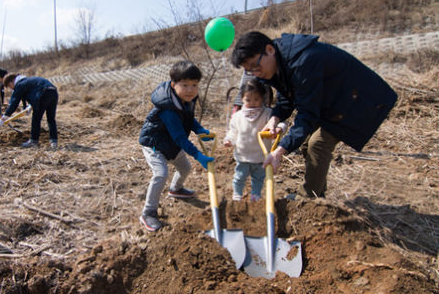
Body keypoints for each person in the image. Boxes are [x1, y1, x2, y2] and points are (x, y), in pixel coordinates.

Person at [231, 31, 397, 198]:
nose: (256, 73)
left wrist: (280, 151)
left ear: (269, 50)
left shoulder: (303, 61)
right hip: (333, 100)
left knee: (317, 145)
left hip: (361, 100)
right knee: (306, 143)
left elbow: (307, 113)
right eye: (250, 71)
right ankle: (318, 194)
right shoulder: (281, 61)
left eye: (256, 67)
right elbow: (287, 96)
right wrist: (275, 118)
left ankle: (308, 198)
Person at [138, 60, 214, 232]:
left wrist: (199, 129)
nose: (190, 90)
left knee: (185, 168)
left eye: (194, 85)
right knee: (161, 174)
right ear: (173, 84)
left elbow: (188, 119)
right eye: (185, 85)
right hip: (155, 145)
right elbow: (180, 138)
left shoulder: (185, 100)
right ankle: (148, 213)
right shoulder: (168, 110)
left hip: (170, 143)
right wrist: (198, 155)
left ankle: (176, 189)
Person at [223, 79, 287, 202]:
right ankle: (237, 195)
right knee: (239, 177)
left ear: (262, 99)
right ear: (242, 99)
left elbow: (283, 122)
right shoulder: (237, 116)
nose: (252, 103)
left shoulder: (268, 114)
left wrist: (279, 128)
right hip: (243, 155)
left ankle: (255, 196)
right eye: (248, 100)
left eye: (256, 99)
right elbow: (232, 132)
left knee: (258, 179)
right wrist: (229, 140)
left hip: (261, 156)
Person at [0, 73, 58, 148]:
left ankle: (33, 141)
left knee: (36, 119)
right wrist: (29, 106)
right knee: (51, 119)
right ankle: (54, 141)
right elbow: (30, 93)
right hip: (53, 92)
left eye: (9, 86)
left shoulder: (20, 84)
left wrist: (3, 118)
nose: (11, 88)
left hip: (43, 94)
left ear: (12, 81)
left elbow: (14, 103)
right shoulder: (28, 81)